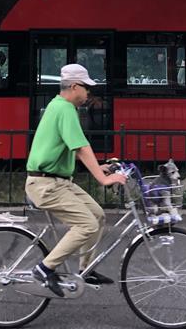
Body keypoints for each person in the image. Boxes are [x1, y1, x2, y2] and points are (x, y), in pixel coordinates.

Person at [26, 64, 127, 297]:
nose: (88, 93)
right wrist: (103, 178)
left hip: (58, 181)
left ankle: (86, 269)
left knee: (98, 216)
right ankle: (44, 268)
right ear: (74, 86)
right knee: (87, 225)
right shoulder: (65, 109)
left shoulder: (58, 105)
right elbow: (81, 147)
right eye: (86, 88)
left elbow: (70, 148)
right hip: (47, 185)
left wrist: (99, 166)